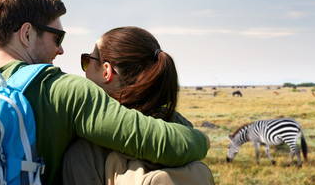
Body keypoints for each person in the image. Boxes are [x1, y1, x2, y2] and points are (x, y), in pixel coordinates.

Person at [0, 0, 210, 184]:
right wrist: (202, 140)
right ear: (27, 34)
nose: (61, 51)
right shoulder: (64, 91)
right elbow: (161, 143)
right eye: (57, 38)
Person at [63, 26, 214, 185]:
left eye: (87, 61)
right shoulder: (180, 128)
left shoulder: (85, 152)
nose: (85, 72)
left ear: (106, 71)